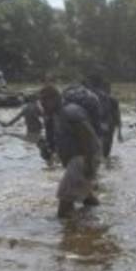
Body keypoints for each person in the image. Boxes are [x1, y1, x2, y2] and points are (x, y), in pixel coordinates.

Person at [39, 84, 102, 218]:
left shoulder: (70, 112)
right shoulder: (57, 115)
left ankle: (71, 235)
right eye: (41, 100)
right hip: (78, 160)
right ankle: (96, 224)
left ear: (56, 98)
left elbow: (88, 136)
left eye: (45, 100)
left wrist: (89, 164)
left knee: (64, 207)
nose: (42, 104)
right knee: (87, 198)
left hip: (82, 160)